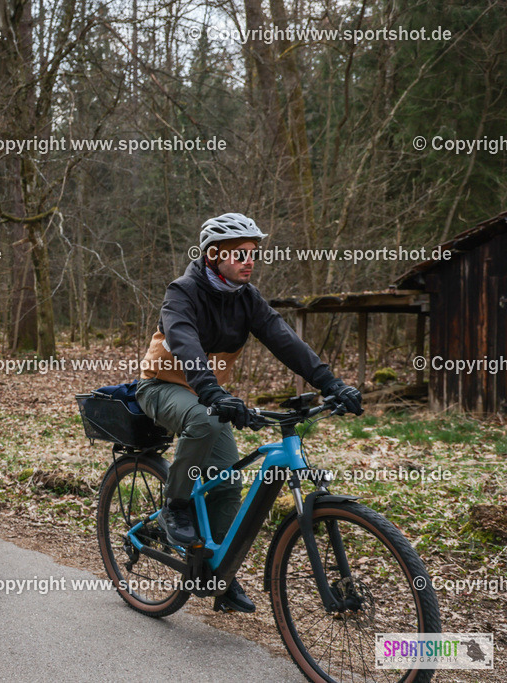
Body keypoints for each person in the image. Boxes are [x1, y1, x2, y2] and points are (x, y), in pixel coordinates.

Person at [136, 212, 363, 614]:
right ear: (211, 256)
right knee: (204, 420)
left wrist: (332, 384)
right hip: (162, 388)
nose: (249, 260)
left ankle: (218, 577)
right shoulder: (182, 292)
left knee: (226, 483)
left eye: (253, 253)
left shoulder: (247, 298)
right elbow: (184, 341)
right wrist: (211, 391)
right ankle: (175, 505)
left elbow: (285, 341)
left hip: (209, 396)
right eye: (239, 253)